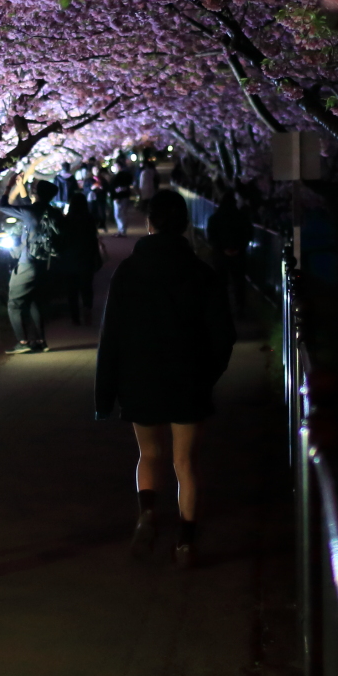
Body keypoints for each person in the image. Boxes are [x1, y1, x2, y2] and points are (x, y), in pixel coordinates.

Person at [94, 189, 236, 568]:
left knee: (149, 454)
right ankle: (186, 542)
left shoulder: (127, 272)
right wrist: (208, 374)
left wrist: (105, 393)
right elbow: (224, 334)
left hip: (139, 377)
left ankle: (148, 512)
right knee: (185, 462)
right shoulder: (201, 273)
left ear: (150, 224)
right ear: (185, 225)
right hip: (188, 378)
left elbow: (112, 335)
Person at [0, 179, 61, 353]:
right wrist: (22, 188)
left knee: (14, 303)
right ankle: (41, 341)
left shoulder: (30, 211)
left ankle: (23, 342)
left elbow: (3, 206)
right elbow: (31, 209)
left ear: (36, 194)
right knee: (35, 301)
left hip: (27, 263)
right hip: (44, 263)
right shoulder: (53, 212)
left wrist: (9, 187)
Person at [61, 180, 103, 324]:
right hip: (86, 258)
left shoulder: (67, 220)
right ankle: (87, 310)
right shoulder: (89, 219)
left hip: (70, 259)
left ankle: (75, 317)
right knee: (87, 287)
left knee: (72, 290)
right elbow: (93, 239)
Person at [205, 196, 254, 320]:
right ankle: (240, 310)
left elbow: (211, 236)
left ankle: (222, 309)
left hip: (220, 256)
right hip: (239, 255)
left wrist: (222, 248)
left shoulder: (214, 218)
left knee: (221, 283)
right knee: (239, 283)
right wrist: (239, 247)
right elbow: (249, 233)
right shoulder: (241, 218)